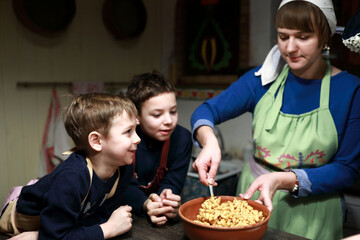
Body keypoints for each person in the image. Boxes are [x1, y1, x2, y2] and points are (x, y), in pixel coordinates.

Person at [190, 0, 360, 239]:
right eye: (283, 36)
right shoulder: (262, 80)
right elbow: (206, 111)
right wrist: (209, 141)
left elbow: (347, 170)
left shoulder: (350, 90)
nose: (290, 47)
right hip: (253, 203)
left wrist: (283, 179)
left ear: (324, 37)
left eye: (302, 37)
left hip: (314, 212)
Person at [0, 93, 141, 239]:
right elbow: (55, 237)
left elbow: (101, 216)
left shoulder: (123, 168)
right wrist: (109, 229)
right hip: (21, 219)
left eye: (136, 130)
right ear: (96, 141)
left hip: (63, 222)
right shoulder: (72, 177)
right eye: (128, 132)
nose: (138, 139)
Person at [121, 70, 192, 226]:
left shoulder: (182, 139)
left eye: (173, 111)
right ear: (137, 117)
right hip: (122, 215)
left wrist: (165, 201)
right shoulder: (122, 140)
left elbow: (173, 181)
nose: (168, 120)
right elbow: (122, 184)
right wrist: (145, 204)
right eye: (157, 115)